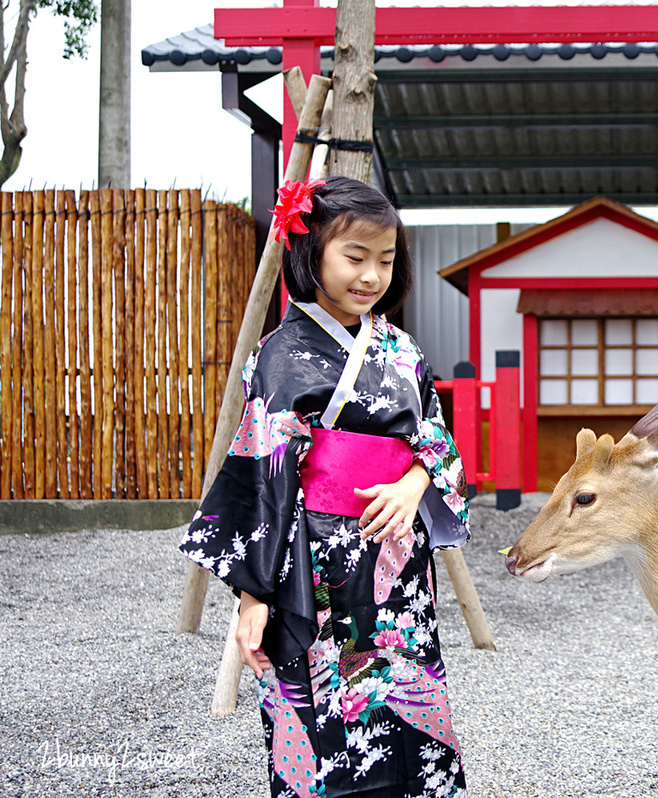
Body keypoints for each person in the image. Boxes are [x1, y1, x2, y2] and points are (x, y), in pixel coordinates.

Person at [180, 176, 470, 798]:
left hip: (395, 558)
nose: (371, 276)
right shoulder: (279, 353)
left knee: (405, 695)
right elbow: (263, 473)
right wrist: (251, 595)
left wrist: (414, 485)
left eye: (386, 261)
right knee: (317, 707)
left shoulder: (402, 351)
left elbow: (436, 441)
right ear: (310, 254)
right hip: (310, 561)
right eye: (355, 257)